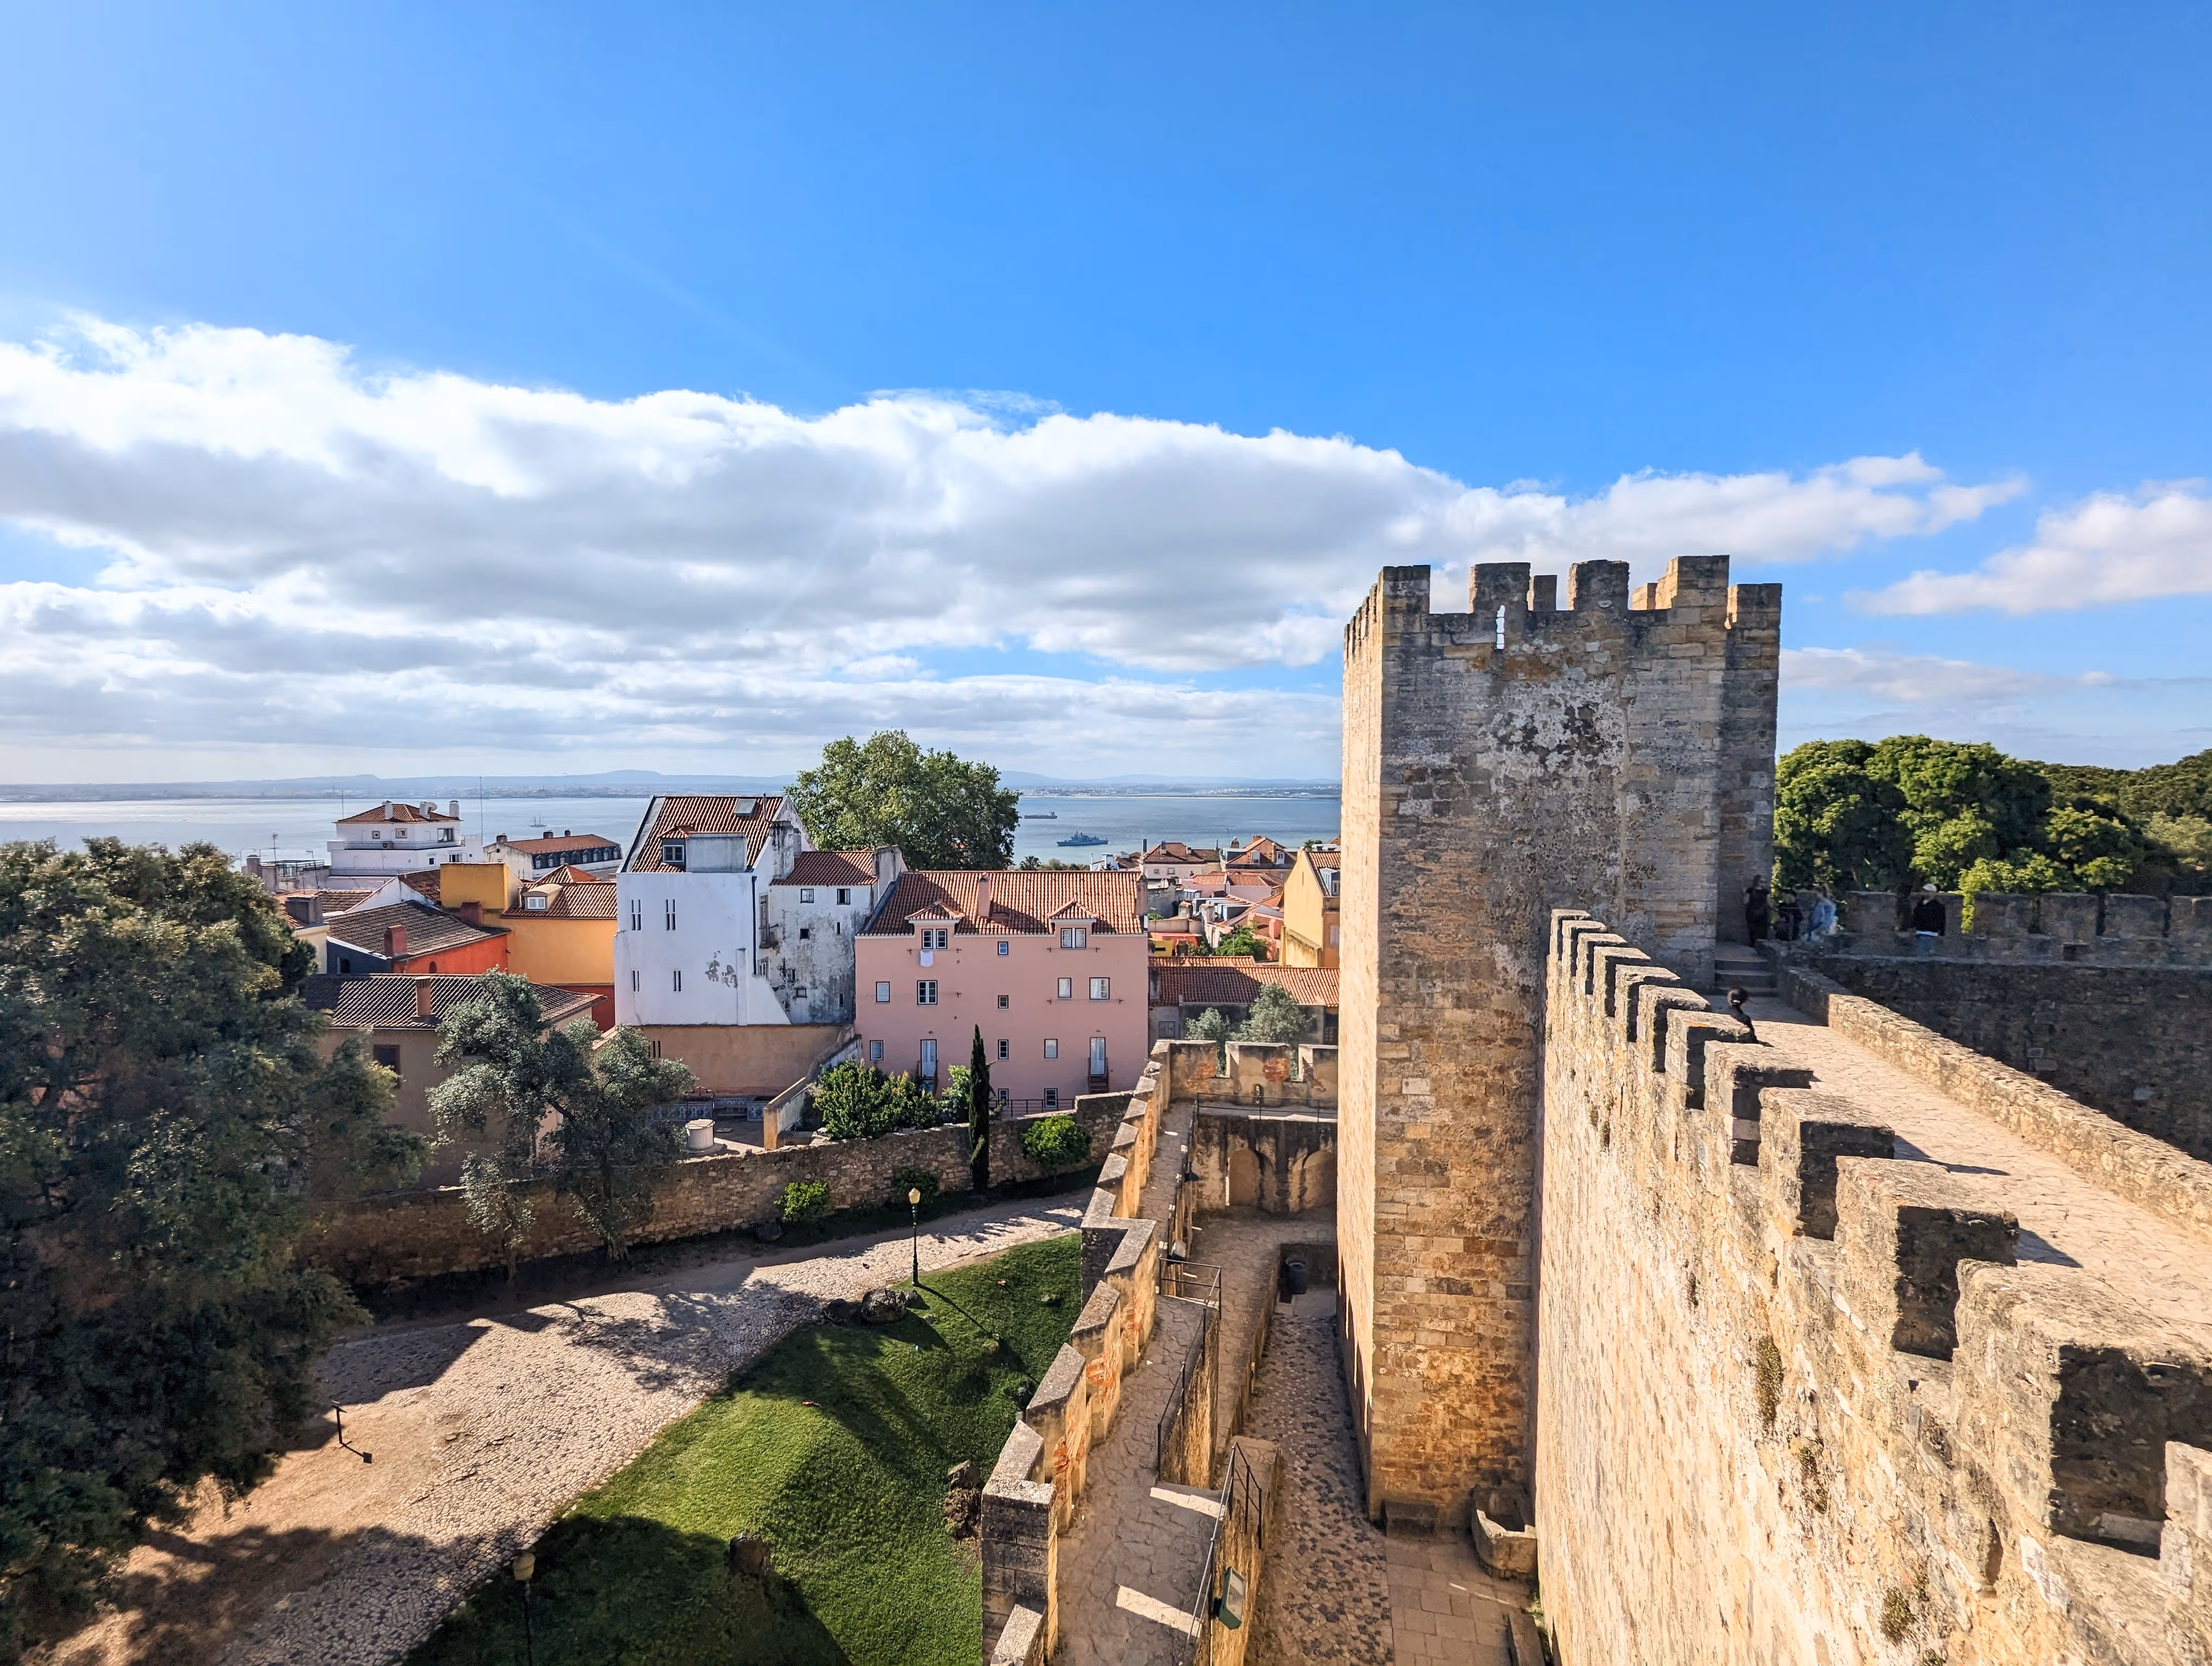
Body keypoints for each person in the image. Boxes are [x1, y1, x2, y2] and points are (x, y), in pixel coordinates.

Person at [1744, 876, 1772, 944]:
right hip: (1752, 912)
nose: (1763, 883)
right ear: (1757, 881)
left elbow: (1769, 903)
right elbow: (1745, 902)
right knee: (1753, 929)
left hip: (1762, 912)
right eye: (1762, 882)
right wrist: (1745, 894)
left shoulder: (1766, 891)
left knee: (1762, 930)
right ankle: (1754, 944)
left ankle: (1761, 945)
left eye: (1764, 882)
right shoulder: (1750, 890)